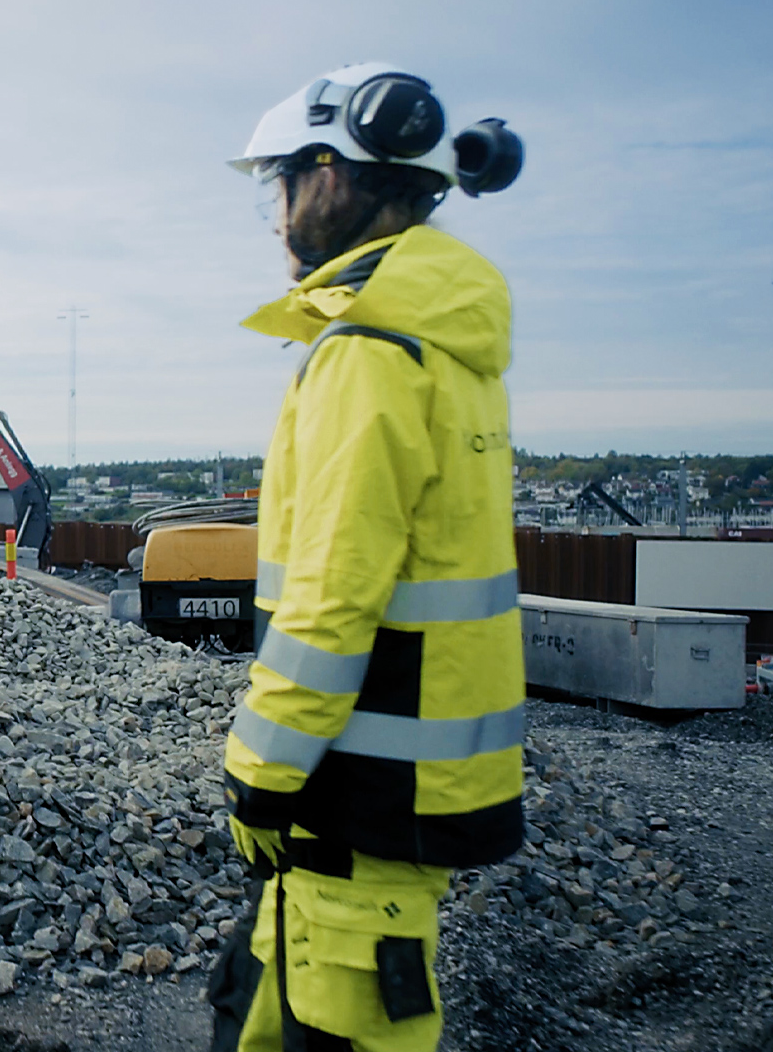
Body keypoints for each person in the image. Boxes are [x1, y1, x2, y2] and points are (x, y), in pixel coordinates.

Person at [208, 65, 527, 1052]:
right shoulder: (438, 343)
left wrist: (261, 767)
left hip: (361, 791)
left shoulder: (371, 351)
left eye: (284, 184)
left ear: (333, 176)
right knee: (250, 1003)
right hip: (391, 784)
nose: (276, 217)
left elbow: (333, 600)